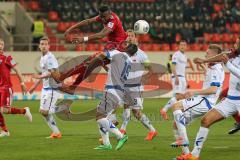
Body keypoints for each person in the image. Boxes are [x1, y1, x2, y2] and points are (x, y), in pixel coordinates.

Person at [180, 37, 240, 160]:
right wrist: (204, 60)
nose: (234, 44)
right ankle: (194, 155)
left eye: (237, 43)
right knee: (205, 120)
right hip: (231, 100)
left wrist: (227, 63)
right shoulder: (233, 54)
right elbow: (222, 56)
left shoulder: (231, 60)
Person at [51, 5, 128, 94]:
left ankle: (62, 78)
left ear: (109, 14)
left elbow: (101, 35)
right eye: (101, 17)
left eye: (104, 17)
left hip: (118, 48)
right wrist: (71, 28)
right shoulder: (104, 17)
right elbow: (88, 21)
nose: (103, 19)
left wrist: (83, 39)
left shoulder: (112, 21)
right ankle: (71, 87)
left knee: (89, 62)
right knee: (88, 65)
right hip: (112, 47)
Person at [172, 44, 225, 159]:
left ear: (215, 55)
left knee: (176, 106)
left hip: (205, 101)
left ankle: (184, 141)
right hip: (202, 100)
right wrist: (203, 66)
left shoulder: (216, 69)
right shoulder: (212, 66)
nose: (206, 55)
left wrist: (194, 92)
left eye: (208, 53)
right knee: (176, 124)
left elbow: (213, 89)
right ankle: (187, 154)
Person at [94, 43, 138, 150]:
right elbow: (112, 71)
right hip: (118, 92)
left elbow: (102, 55)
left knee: (100, 117)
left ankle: (121, 136)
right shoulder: (129, 62)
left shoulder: (118, 54)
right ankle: (106, 144)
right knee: (103, 116)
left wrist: (94, 60)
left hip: (111, 90)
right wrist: (104, 65)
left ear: (125, 48)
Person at [119, 29, 157, 141]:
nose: (129, 37)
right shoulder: (123, 53)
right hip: (126, 86)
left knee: (136, 112)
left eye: (131, 35)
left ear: (135, 38)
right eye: (128, 36)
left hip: (136, 87)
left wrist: (144, 78)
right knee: (125, 107)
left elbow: (150, 69)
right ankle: (122, 130)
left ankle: (152, 130)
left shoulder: (141, 54)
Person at [29, 36, 68, 139]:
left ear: (49, 46)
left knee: (45, 111)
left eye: (46, 44)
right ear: (39, 46)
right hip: (46, 88)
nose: (44, 46)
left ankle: (63, 108)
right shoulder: (43, 58)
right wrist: (34, 86)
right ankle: (56, 133)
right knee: (43, 112)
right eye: (42, 44)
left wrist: (39, 76)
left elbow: (52, 73)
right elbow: (44, 73)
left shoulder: (50, 57)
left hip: (52, 88)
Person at [0, 38, 32, 137]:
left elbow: (17, 70)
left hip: (6, 88)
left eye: (2, 44)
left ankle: (5, 131)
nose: (0, 46)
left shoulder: (7, 58)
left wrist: (22, 84)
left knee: (2, 110)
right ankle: (24, 111)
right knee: (4, 110)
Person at [160, 40, 188, 120]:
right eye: (181, 45)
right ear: (179, 46)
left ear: (186, 46)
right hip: (177, 77)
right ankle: (164, 110)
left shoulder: (185, 56)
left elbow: (184, 69)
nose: (183, 46)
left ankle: (180, 113)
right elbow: (173, 66)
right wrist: (176, 77)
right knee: (178, 96)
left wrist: (186, 79)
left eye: (184, 45)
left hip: (182, 77)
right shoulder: (176, 54)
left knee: (181, 97)